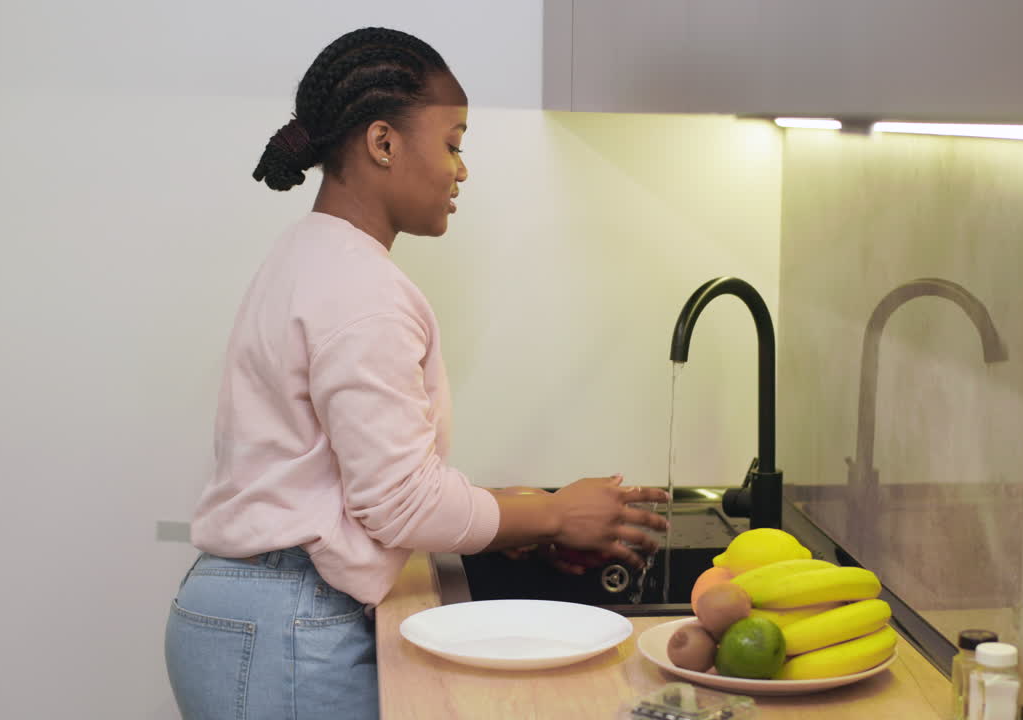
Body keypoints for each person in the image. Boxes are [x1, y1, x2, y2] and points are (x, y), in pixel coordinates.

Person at [163, 27, 669, 720]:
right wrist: (553, 512)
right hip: (288, 623)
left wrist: (523, 516)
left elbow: (357, 480)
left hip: (265, 612)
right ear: (383, 143)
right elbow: (399, 503)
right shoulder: (359, 287)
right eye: (454, 143)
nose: (462, 170)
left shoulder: (313, 255)